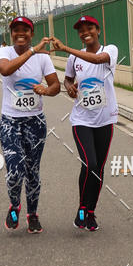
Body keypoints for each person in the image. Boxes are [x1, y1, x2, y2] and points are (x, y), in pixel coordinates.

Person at [51, 15, 118, 232]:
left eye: (89, 28)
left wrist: (66, 49)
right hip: (81, 119)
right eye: (81, 30)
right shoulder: (74, 60)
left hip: (105, 119)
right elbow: (68, 79)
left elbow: (98, 61)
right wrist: (69, 86)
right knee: (90, 164)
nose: (85, 32)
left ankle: (90, 212)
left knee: (98, 169)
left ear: (98, 30)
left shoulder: (110, 50)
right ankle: (82, 207)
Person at [0, 17, 60, 234]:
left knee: (33, 171)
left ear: (31, 33)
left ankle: (33, 214)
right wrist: (33, 51)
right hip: (10, 122)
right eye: (16, 30)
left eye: (25, 30)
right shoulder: (4, 53)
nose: (20, 33)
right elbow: (5, 70)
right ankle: (14, 205)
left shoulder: (43, 59)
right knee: (15, 170)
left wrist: (46, 90)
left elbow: (55, 86)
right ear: (11, 34)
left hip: (35, 122)